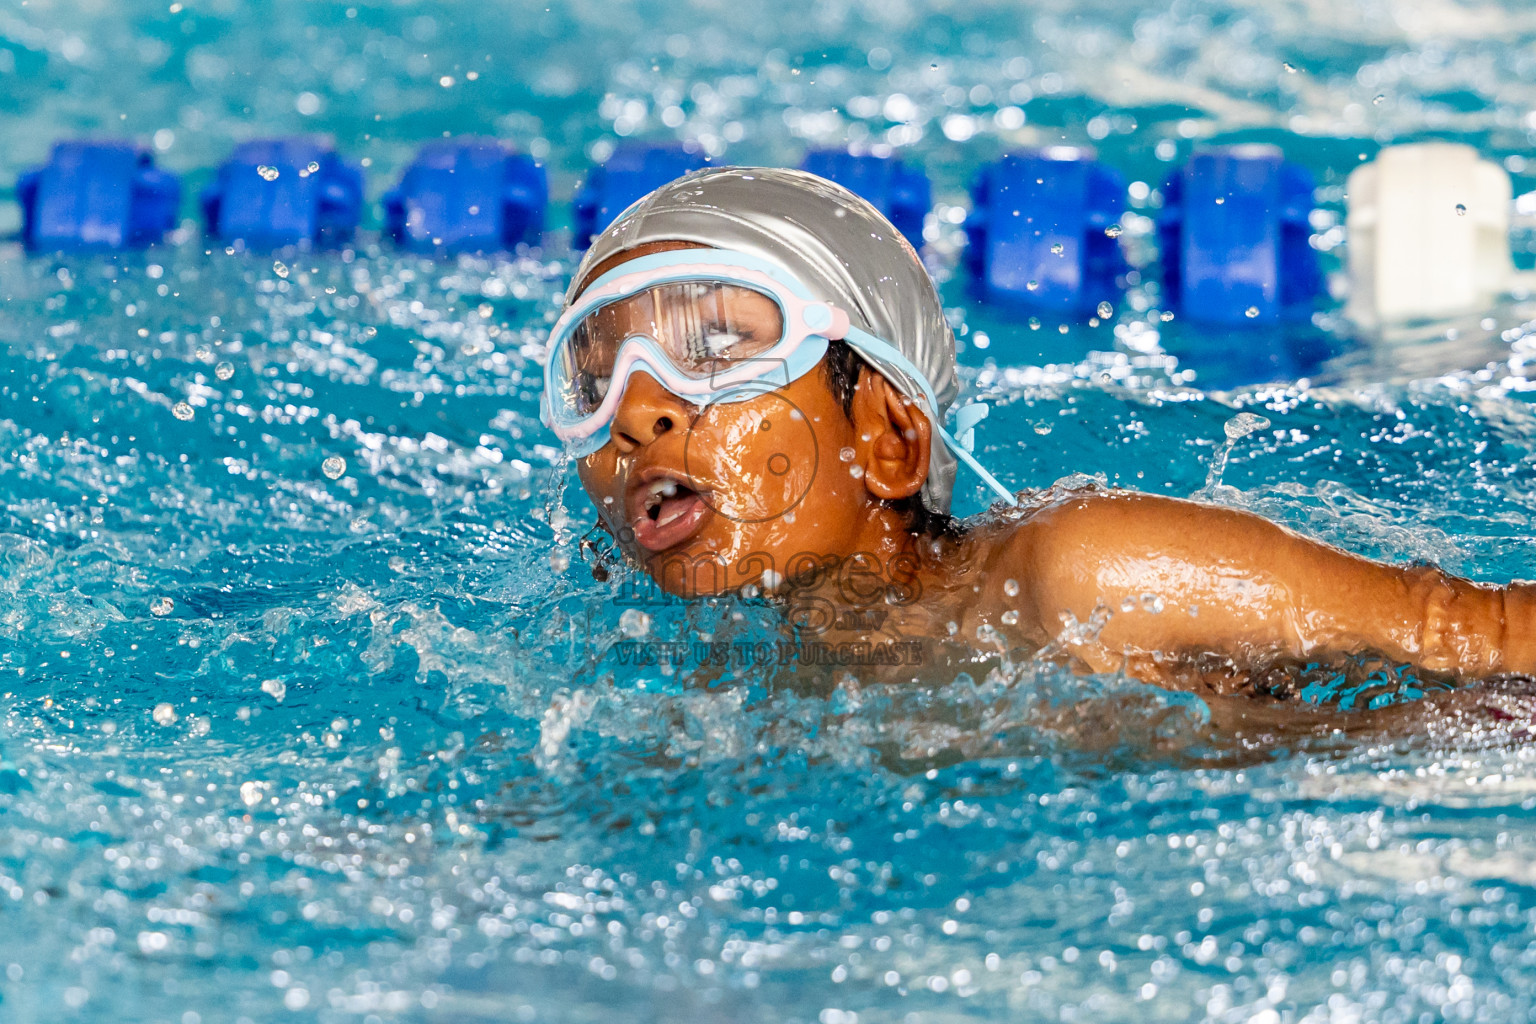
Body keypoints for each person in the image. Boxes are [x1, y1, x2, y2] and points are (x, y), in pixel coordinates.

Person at [541, 166, 1536, 713]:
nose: (638, 412)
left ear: (889, 434)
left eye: (717, 345)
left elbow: (1473, 634)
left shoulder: (1077, 570)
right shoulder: (728, 689)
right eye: (595, 379)